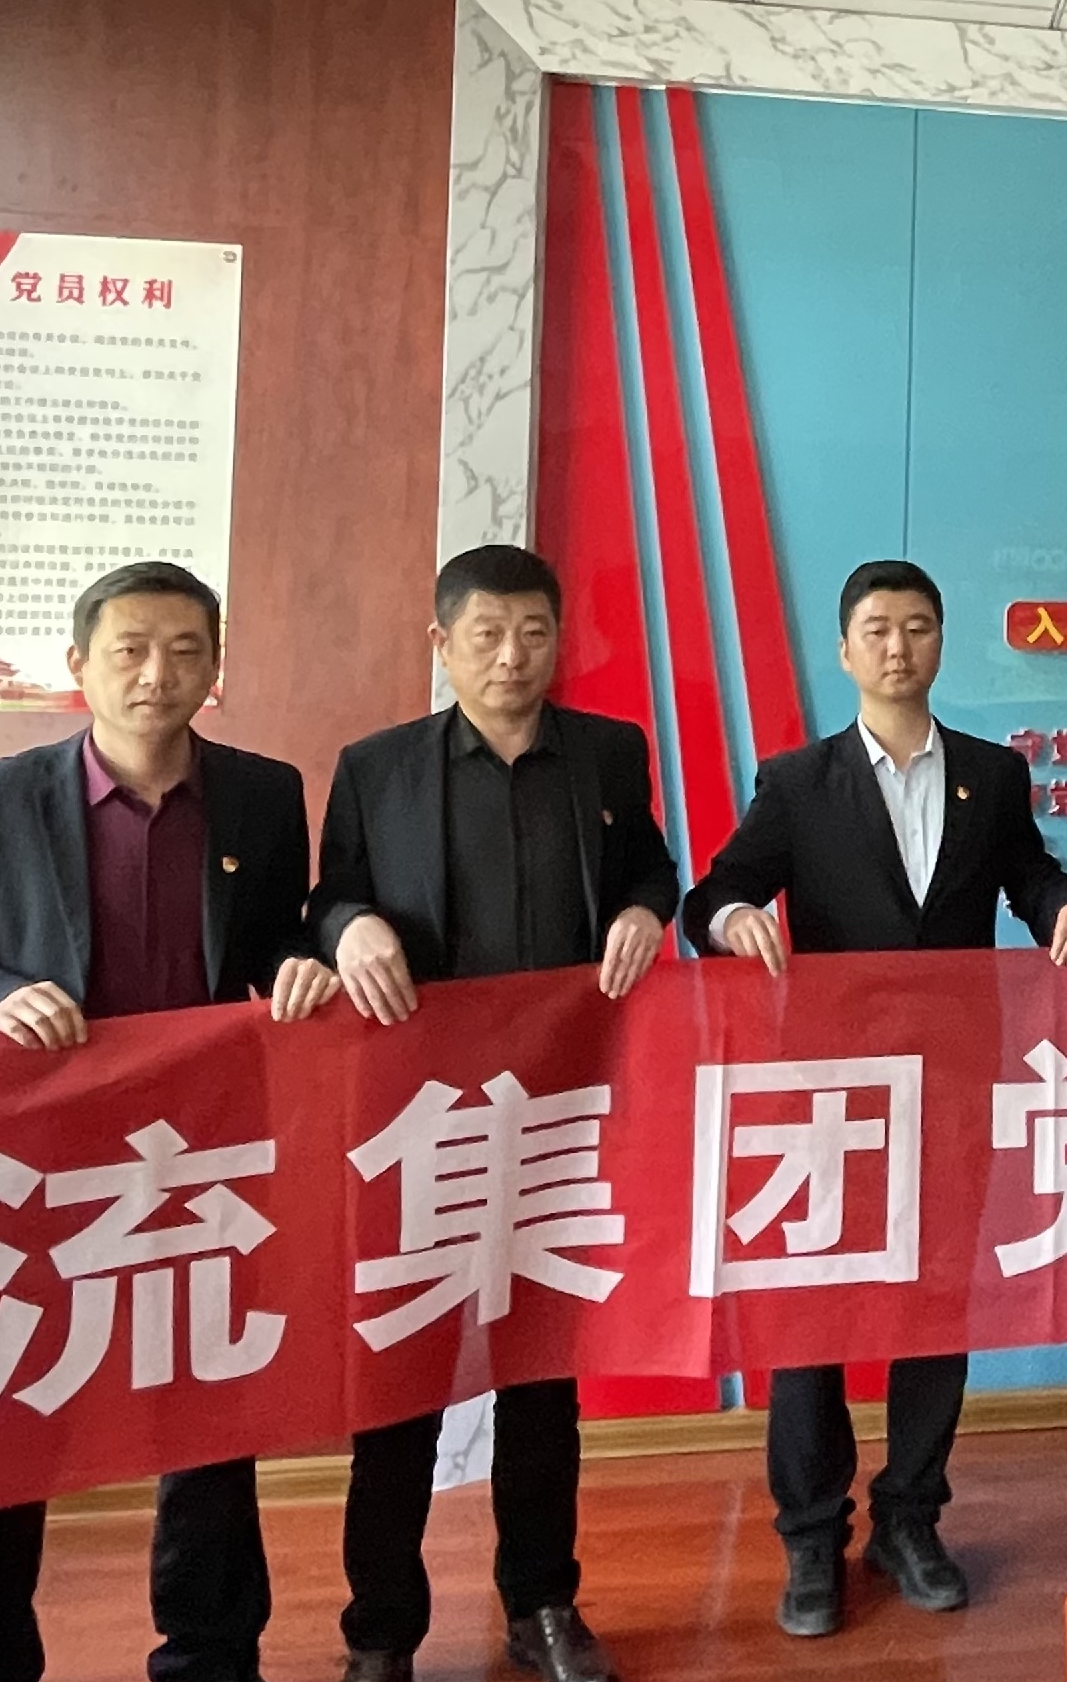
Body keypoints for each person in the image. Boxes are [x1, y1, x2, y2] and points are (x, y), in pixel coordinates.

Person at [0, 562, 336, 1682]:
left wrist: (304, 964)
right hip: (36, 1157)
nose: (157, 674)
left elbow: (276, 935)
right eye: (130, 650)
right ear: (79, 665)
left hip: (202, 1149)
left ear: (215, 668)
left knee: (210, 1410)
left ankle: (208, 1651)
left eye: (186, 651)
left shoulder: (263, 793)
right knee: (8, 1410)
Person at [685, 558, 1067, 1635]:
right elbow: (716, 891)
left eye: (918, 627)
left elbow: (1029, 874)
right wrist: (733, 920)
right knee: (812, 1316)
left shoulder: (993, 776)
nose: (898, 646)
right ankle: (810, 1537)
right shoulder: (798, 782)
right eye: (876, 628)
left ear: (940, 642)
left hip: (953, 1085)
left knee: (936, 1308)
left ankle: (911, 1519)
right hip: (831, 1094)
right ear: (845, 650)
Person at [312, 545, 678, 1682]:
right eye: (486, 635)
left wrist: (644, 912)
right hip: (417, 1122)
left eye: (533, 633)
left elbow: (651, 868)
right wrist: (351, 929)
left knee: (541, 1383)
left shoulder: (608, 754)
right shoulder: (376, 768)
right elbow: (329, 896)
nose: (513, 656)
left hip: (557, 1115)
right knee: (399, 1390)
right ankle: (381, 1632)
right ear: (443, 644)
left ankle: (543, 1605)